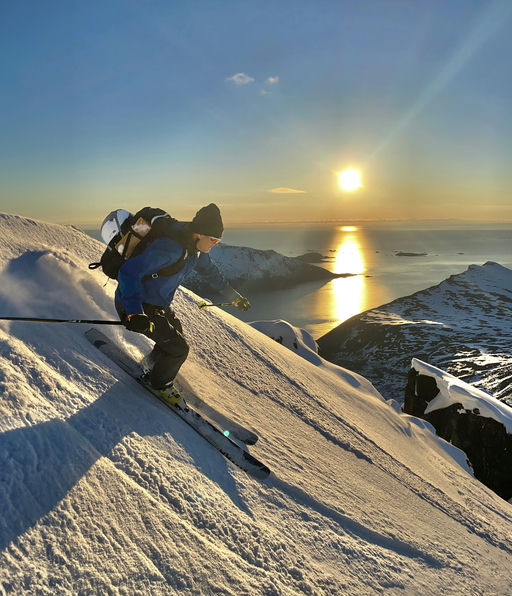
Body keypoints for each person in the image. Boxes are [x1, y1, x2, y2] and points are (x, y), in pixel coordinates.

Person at [114, 203, 250, 405]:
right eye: (214, 240)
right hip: (136, 304)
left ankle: (152, 365)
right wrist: (134, 313)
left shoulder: (195, 250)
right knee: (178, 349)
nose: (215, 244)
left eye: (218, 240)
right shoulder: (170, 248)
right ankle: (159, 384)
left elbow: (211, 273)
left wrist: (235, 297)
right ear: (199, 233)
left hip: (156, 305)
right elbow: (128, 272)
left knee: (175, 335)